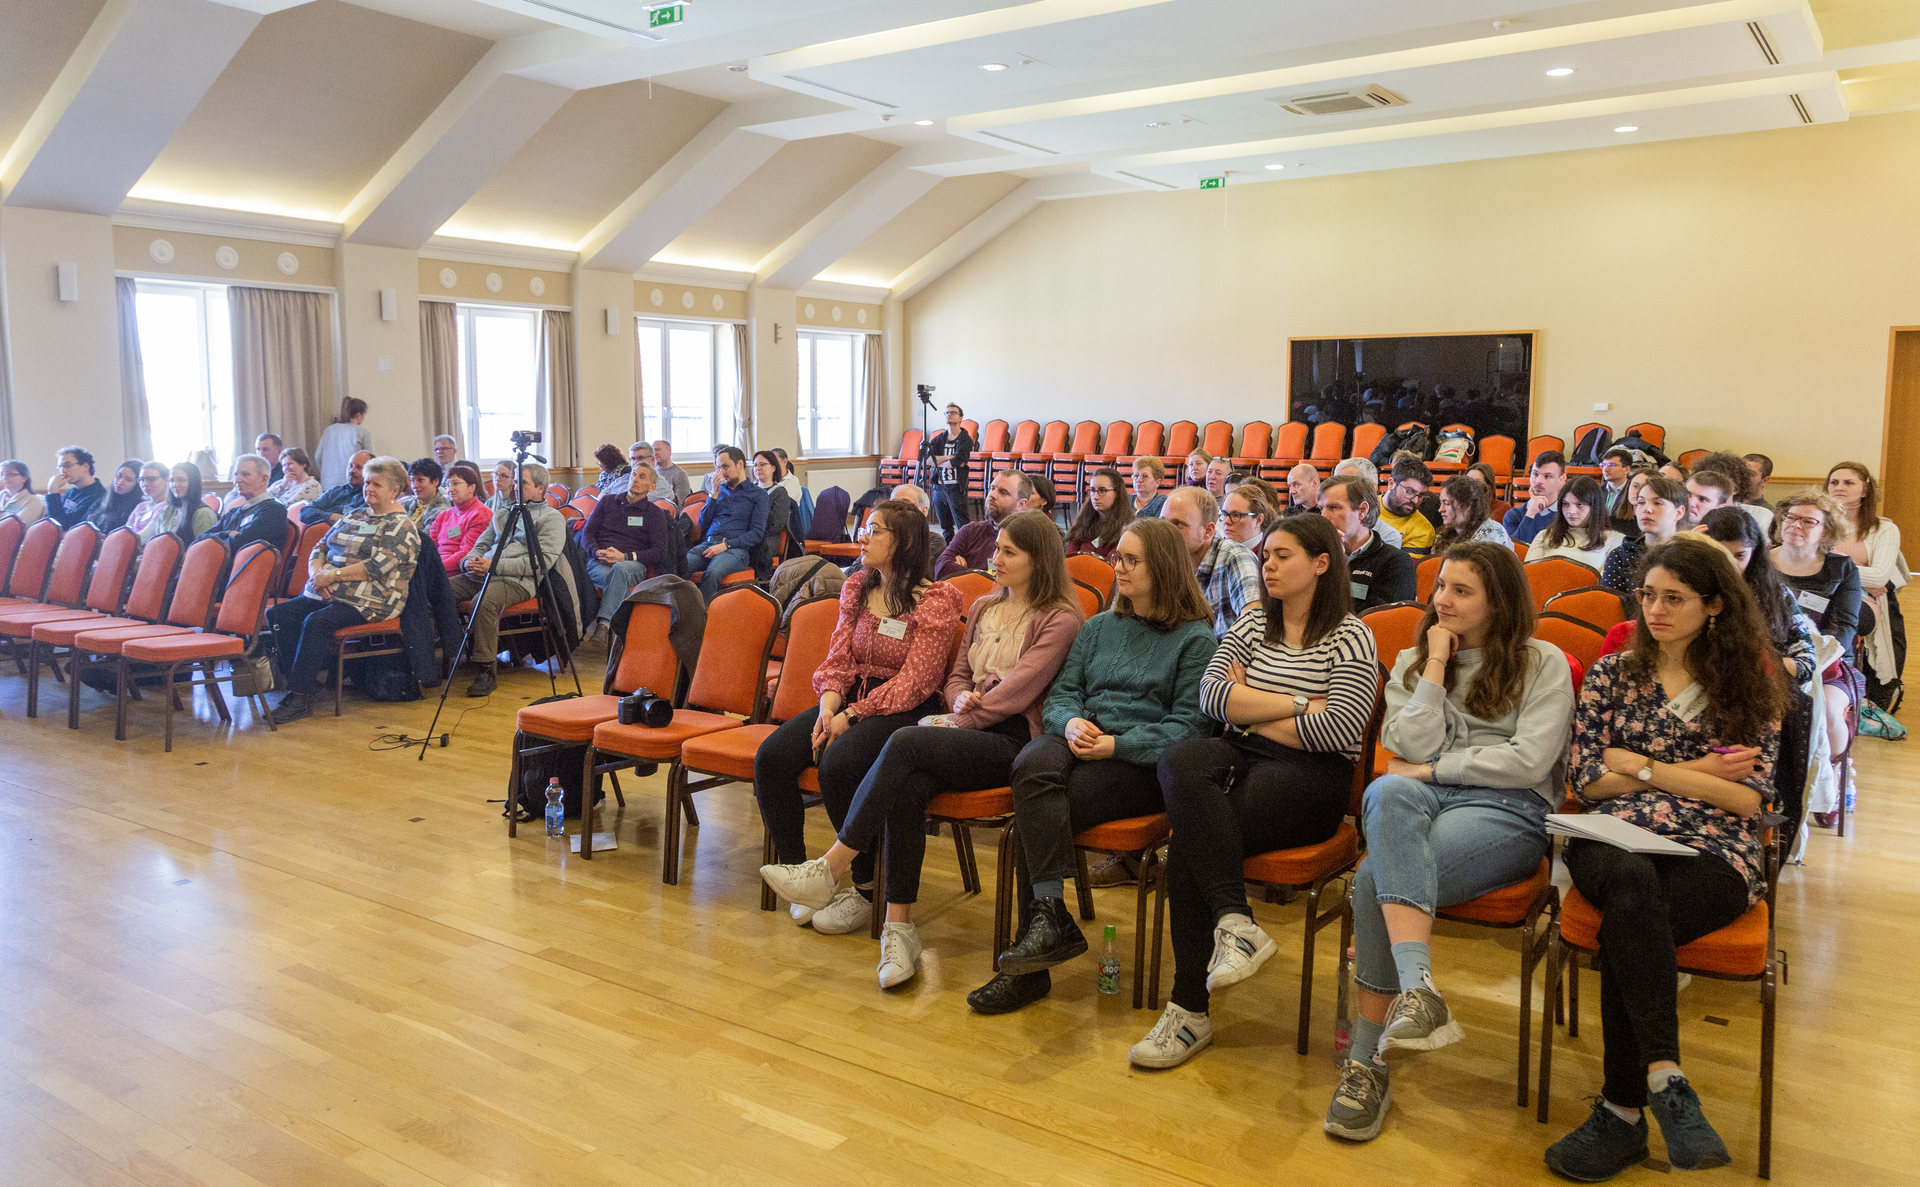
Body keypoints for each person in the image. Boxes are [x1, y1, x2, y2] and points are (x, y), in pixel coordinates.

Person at [1543, 538, 1783, 1182]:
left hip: (1717, 846)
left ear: (1714, 605)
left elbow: (1748, 797)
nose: (1655, 609)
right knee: (1631, 887)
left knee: (1631, 924)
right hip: (1612, 833)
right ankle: (1664, 1077)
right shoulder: (1613, 673)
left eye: (1674, 598)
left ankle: (1622, 1112)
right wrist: (1697, 770)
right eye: (1648, 595)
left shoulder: (1748, 684)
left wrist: (1641, 766)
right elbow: (1589, 780)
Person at [760, 510, 1082, 985]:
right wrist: (959, 698)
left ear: (1039, 560)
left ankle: (831, 868)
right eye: (996, 548)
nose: (994, 558)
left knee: (902, 741)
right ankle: (899, 927)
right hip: (960, 723)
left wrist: (958, 716)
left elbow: (1018, 694)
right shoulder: (984, 607)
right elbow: (956, 676)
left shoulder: (1060, 619)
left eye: (1008, 552)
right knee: (905, 787)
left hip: (1010, 737)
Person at [1325, 542, 1574, 1142]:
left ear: (1500, 601)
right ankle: (1418, 990)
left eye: (1462, 591)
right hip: (1422, 800)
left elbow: (1528, 762)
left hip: (1508, 810)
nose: (1442, 600)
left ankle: (1366, 1060)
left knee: (1372, 878)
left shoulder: (1543, 662)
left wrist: (1435, 769)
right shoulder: (1416, 659)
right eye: (1440, 587)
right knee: (1387, 789)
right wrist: (1436, 663)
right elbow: (1406, 746)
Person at [1133, 513, 1379, 1068]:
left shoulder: (1351, 635)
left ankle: (1189, 1011)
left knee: (1189, 846)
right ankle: (1237, 923)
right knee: (1179, 757)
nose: (1267, 565)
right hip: (1242, 755)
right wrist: (1298, 703)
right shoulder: (1251, 623)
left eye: (1282, 556)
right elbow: (1212, 697)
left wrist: (1250, 709)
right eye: (1266, 555)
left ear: (1321, 564)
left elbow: (1340, 728)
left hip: (1312, 776)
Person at [970, 517, 1217, 1015]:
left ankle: (1028, 968)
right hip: (1081, 738)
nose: (1118, 568)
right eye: (1117, 557)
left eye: (1131, 560)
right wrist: (1070, 722)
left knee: (1044, 810)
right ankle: (1050, 915)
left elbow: (1189, 727)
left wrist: (1115, 744)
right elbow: (1062, 693)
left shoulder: (1195, 640)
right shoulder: (1099, 627)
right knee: (1031, 764)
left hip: (1136, 763)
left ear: (1163, 567)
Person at [754, 500, 964, 936]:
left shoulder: (936, 599)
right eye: (864, 528)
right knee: (771, 757)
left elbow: (918, 681)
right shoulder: (856, 587)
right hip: (849, 698)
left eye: (875, 530)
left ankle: (866, 888)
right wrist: (829, 706)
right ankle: (803, 877)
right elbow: (838, 658)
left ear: (903, 542)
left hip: (905, 707)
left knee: (840, 764)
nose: (862, 537)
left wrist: (851, 714)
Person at [265, 456, 420, 724]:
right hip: (332, 589)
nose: (369, 488)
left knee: (317, 621)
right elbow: (321, 547)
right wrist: (317, 574)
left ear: (395, 491)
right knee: (279, 614)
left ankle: (299, 698)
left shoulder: (401, 526)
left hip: (374, 599)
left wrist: (332, 576)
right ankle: (304, 681)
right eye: (368, 482)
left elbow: (375, 567)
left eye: (377, 484)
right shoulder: (356, 514)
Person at [449, 462, 566, 696]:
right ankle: (444, 654)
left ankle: (485, 670)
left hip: (518, 580)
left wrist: (493, 567)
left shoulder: (551, 518)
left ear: (540, 488)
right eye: (515, 482)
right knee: (439, 591)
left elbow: (539, 563)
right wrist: (468, 562)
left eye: (523, 483)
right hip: (482, 571)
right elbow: (481, 545)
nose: (515, 487)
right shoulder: (504, 513)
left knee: (482, 602)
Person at [1772, 490, 1864, 773]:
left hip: (1828, 664)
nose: (1795, 524)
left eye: (1808, 521)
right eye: (1790, 517)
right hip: (1772, 658)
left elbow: (1844, 628)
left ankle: (1832, 771)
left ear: (1827, 531)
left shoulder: (1842, 569)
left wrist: (1808, 664)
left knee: (1826, 709)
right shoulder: (1759, 562)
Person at [1697, 508, 1816, 686]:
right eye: (1721, 555)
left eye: (1740, 555)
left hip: (1757, 688)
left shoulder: (1776, 594)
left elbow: (1805, 664)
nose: (1731, 564)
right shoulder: (1687, 590)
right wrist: (1682, 551)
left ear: (1754, 553)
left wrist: (1750, 667)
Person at [1825, 461, 1907, 706]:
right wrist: (1857, 572)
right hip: (1820, 595)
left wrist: (1829, 566)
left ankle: (1842, 686)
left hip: (1867, 600)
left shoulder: (1884, 529)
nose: (1839, 487)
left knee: (1843, 619)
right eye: (1834, 482)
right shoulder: (1817, 521)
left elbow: (1880, 578)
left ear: (1865, 490)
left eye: (1848, 482)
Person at [582, 461, 670, 637]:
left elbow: (660, 551)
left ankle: (604, 624)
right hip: (600, 561)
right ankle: (621, 634)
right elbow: (587, 533)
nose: (635, 479)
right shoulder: (607, 502)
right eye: (633, 474)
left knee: (620, 570)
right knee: (615, 579)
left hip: (632, 564)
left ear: (652, 487)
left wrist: (625, 557)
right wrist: (596, 551)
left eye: (642, 477)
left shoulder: (655, 513)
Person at [1162, 486, 1260, 639]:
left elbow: (1254, 625)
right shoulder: (1163, 562)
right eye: (1163, 523)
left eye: (1178, 524)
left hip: (1226, 652)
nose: (1166, 532)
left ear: (1208, 531)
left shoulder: (1234, 556)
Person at [1318, 475, 1416, 610]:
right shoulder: (1316, 554)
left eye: (1334, 507)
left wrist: (1336, 563)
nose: (1323, 516)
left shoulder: (1396, 562)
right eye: (1321, 509)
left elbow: (1379, 618)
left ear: (1362, 510)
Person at [682, 447, 766, 599]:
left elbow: (756, 533)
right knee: (679, 566)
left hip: (735, 550)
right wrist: (713, 495)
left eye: (725, 467)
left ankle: (703, 612)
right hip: (708, 544)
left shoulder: (758, 494)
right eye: (718, 468)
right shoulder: (718, 491)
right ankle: (678, 610)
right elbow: (702, 524)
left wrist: (725, 546)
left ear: (740, 465)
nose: (721, 473)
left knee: (713, 573)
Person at [937, 469, 1040, 577]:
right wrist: (983, 574)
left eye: (1003, 492)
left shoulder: (1031, 538)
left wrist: (964, 571)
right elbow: (941, 568)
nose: (992, 495)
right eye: (992, 488)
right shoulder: (971, 531)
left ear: (1021, 504)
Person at [195, 453, 288, 561]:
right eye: (236, 474)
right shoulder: (233, 512)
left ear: (263, 479)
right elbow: (201, 539)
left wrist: (215, 540)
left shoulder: (273, 511)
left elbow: (240, 544)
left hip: (245, 569)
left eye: (245, 474)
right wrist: (227, 533)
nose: (237, 480)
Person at [1602, 476, 1687, 592]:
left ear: (1679, 512)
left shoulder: (1689, 556)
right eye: (1641, 502)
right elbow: (1611, 601)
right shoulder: (1621, 555)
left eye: (1658, 503)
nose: (1647, 509)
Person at [1527, 476, 1624, 570]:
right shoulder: (1545, 536)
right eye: (1565, 504)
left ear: (1595, 507)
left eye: (1580, 504)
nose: (1571, 511)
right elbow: (1529, 574)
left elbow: (1609, 580)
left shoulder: (1614, 540)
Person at [429, 462, 492, 576]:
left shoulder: (480, 514)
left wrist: (436, 569)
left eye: (456, 483)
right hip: (437, 567)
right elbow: (430, 547)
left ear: (471, 487)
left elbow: (467, 553)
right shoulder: (443, 516)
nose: (450, 489)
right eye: (448, 484)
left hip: (459, 571)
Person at [923, 402, 975, 538]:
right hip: (939, 487)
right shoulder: (939, 439)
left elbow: (957, 461)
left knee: (962, 525)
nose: (949, 415)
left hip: (956, 488)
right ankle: (949, 549)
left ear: (960, 418)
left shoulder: (965, 439)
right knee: (945, 527)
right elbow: (928, 460)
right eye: (946, 413)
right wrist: (948, 457)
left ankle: (965, 549)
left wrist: (938, 462)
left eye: (953, 412)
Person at [1690, 451, 1772, 535]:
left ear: (1735, 488)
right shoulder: (1688, 515)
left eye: (1714, 483)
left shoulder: (1760, 516)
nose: (1691, 503)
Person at [1065, 467, 1135, 561]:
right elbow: (1069, 558)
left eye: (1102, 490)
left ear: (1117, 493)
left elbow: (1111, 564)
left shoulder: (1129, 528)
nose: (1095, 497)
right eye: (1092, 490)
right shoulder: (1083, 522)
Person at [1333, 458, 1402, 549]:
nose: (1335, 491)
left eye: (1347, 486)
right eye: (1334, 484)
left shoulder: (1388, 536)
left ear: (1372, 488)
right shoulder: (1322, 525)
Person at [1502, 450, 1566, 545]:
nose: (1538, 481)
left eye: (1547, 476)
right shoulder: (1514, 515)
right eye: (1535, 474)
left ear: (1561, 479)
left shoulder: (1567, 514)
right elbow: (1513, 549)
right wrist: (1530, 514)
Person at [142, 463, 216, 545]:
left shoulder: (203, 513)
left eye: (181, 480)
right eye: (171, 480)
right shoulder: (167, 510)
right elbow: (157, 542)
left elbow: (203, 548)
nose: (175, 485)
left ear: (193, 482)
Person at [1434, 475, 1513, 551]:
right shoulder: (1444, 535)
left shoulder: (1493, 535)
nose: (1440, 509)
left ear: (1467, 505)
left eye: (1447, 503)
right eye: (1441, 503)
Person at [1379, 458, 1437, 556]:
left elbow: (1399, 565)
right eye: (1409, 491)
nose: (1415, 500)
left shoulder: (1423, 530)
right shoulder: (1362, 507)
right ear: (1391, 483)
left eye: (1421, 495)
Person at [313, 397, 374, 490]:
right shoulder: (362, 432)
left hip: (328, 484)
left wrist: (326, 475)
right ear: (359, 415)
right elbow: (370, 462)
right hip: (350, 485)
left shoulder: (329, 430)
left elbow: (317, 457)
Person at [300, 450, 372, 526]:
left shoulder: (370, 497)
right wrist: (333, 516)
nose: (352, 470)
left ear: (371, 473)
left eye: (359, 467)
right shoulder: (334, 492)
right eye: (350, 466)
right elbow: (305, 512)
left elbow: (356, 522)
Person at [45, 446, 105, 528]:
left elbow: (61, 526)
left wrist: (53, 492)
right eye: (60, 467)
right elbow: (52, 520)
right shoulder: (71, 492)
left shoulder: (99, 496)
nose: (63, 471)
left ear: (85, 467)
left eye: (68, 465)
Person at [87, 461, 144, 532]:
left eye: (128, 480)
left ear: (138, 484)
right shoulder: (102, 500)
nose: (119, 482)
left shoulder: (139, 508)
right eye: (119, 476)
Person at [1217, 482, 1278, 550]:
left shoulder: (1269, 552)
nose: (1226, 521)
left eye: (1236, 515)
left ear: (1258, 520)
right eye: (1224, 514)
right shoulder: (1217, 549)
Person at [398, 458, 448, 531]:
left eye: (420, 480)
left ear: (435, 482)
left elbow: (427, 536)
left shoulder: (442, 510)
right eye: (412, 480)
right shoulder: (405, 504)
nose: (415, 486)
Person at [122, 463, 169, 538]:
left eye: (151, 479)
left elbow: (144, 537)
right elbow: (125, 531)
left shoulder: (166, 507)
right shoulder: (141, 506)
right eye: (141, 480)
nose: (145, 484)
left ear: (166, 480)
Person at [0, 460, 46, 525]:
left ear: (24, 478)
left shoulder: (33, 500)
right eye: (1, 474)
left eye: (11, 474)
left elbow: (15, 526)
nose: (4, 478)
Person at [652, 440, 693, 506]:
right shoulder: (653, 472)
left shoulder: (679, 474)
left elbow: (681, 503)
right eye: (653, 451)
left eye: (657, 450)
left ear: (669, 451)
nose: (655, 453)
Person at [1599, 447, 1636, 519]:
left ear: (1626, 470)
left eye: (1611, 465)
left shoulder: (1634, 492)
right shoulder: (1596, 490)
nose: (1605, 469)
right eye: (1603, 465)